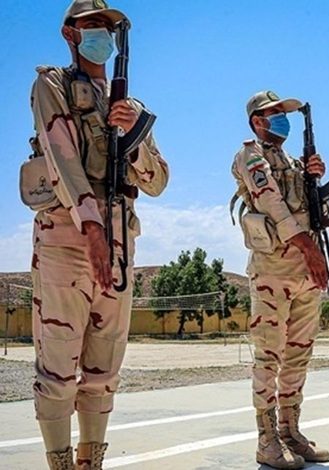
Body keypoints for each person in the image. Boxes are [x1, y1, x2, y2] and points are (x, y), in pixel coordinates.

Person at [25, 1, 169, 468]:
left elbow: (158, 181)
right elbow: (62, 158)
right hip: (67, 240)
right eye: (92, 26)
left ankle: (92, 461)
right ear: (70, 34)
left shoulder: (131, 107)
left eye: (107, 28)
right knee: (57, 370)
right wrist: (90, 226)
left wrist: (135, 137)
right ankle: (61, 462)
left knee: (104, 370)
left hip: (120, 242)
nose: (101, 35)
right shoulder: (52, 85)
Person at [231, 90, 329, 469]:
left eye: (283, 113)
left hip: (306, 272)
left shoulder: (296, 163)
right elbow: (270, 201)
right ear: (257, 121)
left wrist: (315, 181)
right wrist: (310, 250)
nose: (282, 119)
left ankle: (290, 431)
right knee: (269, 356)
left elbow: (316, 214)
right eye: (274, 113)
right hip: (273, 269)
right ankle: (267, 439)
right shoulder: (249, 155)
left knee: (298, 355)